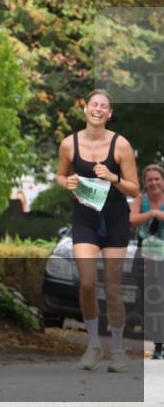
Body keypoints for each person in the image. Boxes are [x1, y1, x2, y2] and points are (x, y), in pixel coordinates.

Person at [55, 89, 139, 372]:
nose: (98, 109)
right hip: (85, 219)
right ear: (86, 109)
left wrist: (112, 176)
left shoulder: (120, 145)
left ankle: (117, 350)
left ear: (109, 113)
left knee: (112, 288)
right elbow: (59, 174)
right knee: (88, 283)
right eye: (94, 104)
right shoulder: (69, 144)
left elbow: (134, 187)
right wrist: (65, 183)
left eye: (104, 106)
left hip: (115, 219)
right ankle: (93, 345)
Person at [131, 164, 164, 359]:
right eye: (150, 179)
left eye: (157, 179)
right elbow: (132, 219)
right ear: (145, 182)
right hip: (144, 257)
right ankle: (158, 346)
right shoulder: (140, 199)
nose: (153, 183)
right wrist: (152, 214)